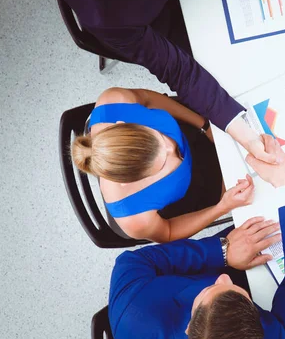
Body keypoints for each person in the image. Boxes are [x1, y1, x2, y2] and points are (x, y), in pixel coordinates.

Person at [51, 0, 285, 172]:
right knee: (230, 67)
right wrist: (248, 139)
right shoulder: (103, 14)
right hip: (146, 23)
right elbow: (179, 71)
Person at [108, 135, 285, 339]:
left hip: (208, 260)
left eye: (210, 289)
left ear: (188, 328)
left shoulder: (131, 309)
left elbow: (135, 261)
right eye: (231, 288)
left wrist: (222, 253)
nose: (224, 277)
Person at [71, 87, 257, 242]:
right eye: (161, 163)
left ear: (122, 123)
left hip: (194, 132)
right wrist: (221, 207)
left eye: (158, 136)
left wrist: (204, 126)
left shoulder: (115, 102)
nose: (172, 147)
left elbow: (148, 99)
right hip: (201, 186)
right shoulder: (133, 217)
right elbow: (168, 231)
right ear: (128, 183)